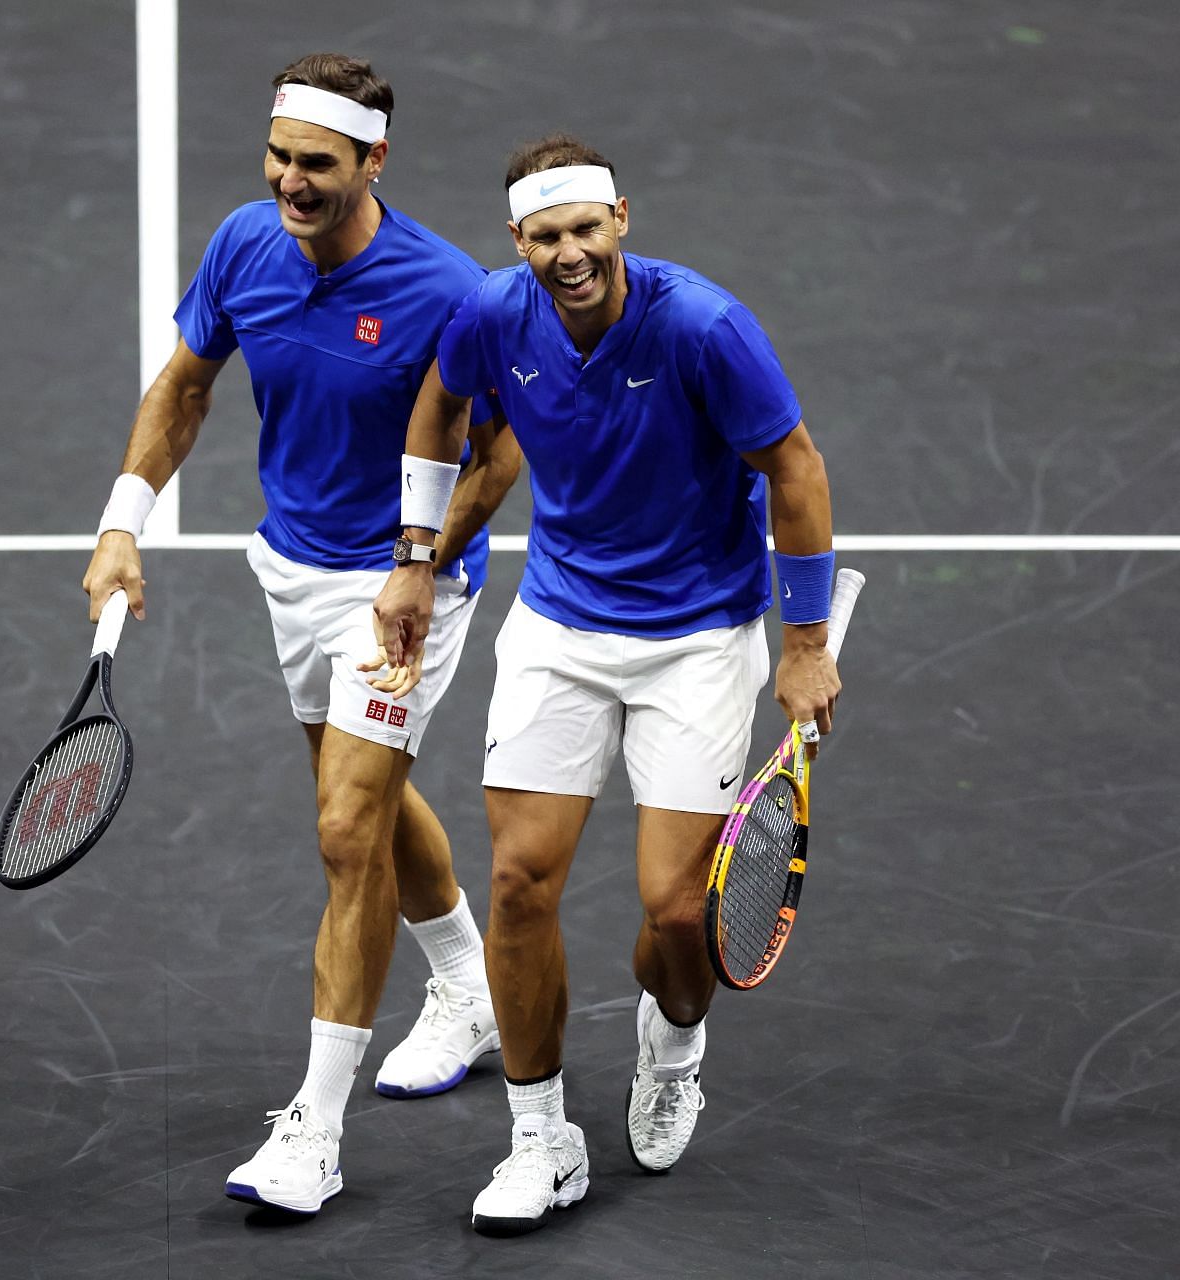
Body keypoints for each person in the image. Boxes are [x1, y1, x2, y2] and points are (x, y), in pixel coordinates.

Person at [369, 134, 840, 1236]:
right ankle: (542, 1138)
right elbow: (440, 409)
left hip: (698, 639)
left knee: (681, 914)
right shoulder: (494, 313)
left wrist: (805, 638)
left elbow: (796, 466)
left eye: (587, 229)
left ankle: (674, 1042)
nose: (569, 253)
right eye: (546, 236)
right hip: (559, 628)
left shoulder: (703, 327)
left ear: (622, 219)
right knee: (521, 884)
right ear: (518, 241)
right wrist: (411, 552)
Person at [81, 53, 521, 1217]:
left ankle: (313, 1132)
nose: (291, 180)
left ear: (374, 162)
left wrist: (414, 569)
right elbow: (184, 387)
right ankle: (468, 986)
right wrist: (124, 522)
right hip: (294, 568)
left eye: (316, 164)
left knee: (342, 829)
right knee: (365, 804)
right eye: (278, 157)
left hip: (404, 584)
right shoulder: (243, 245)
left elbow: (499, 456)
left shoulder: (447, 292)